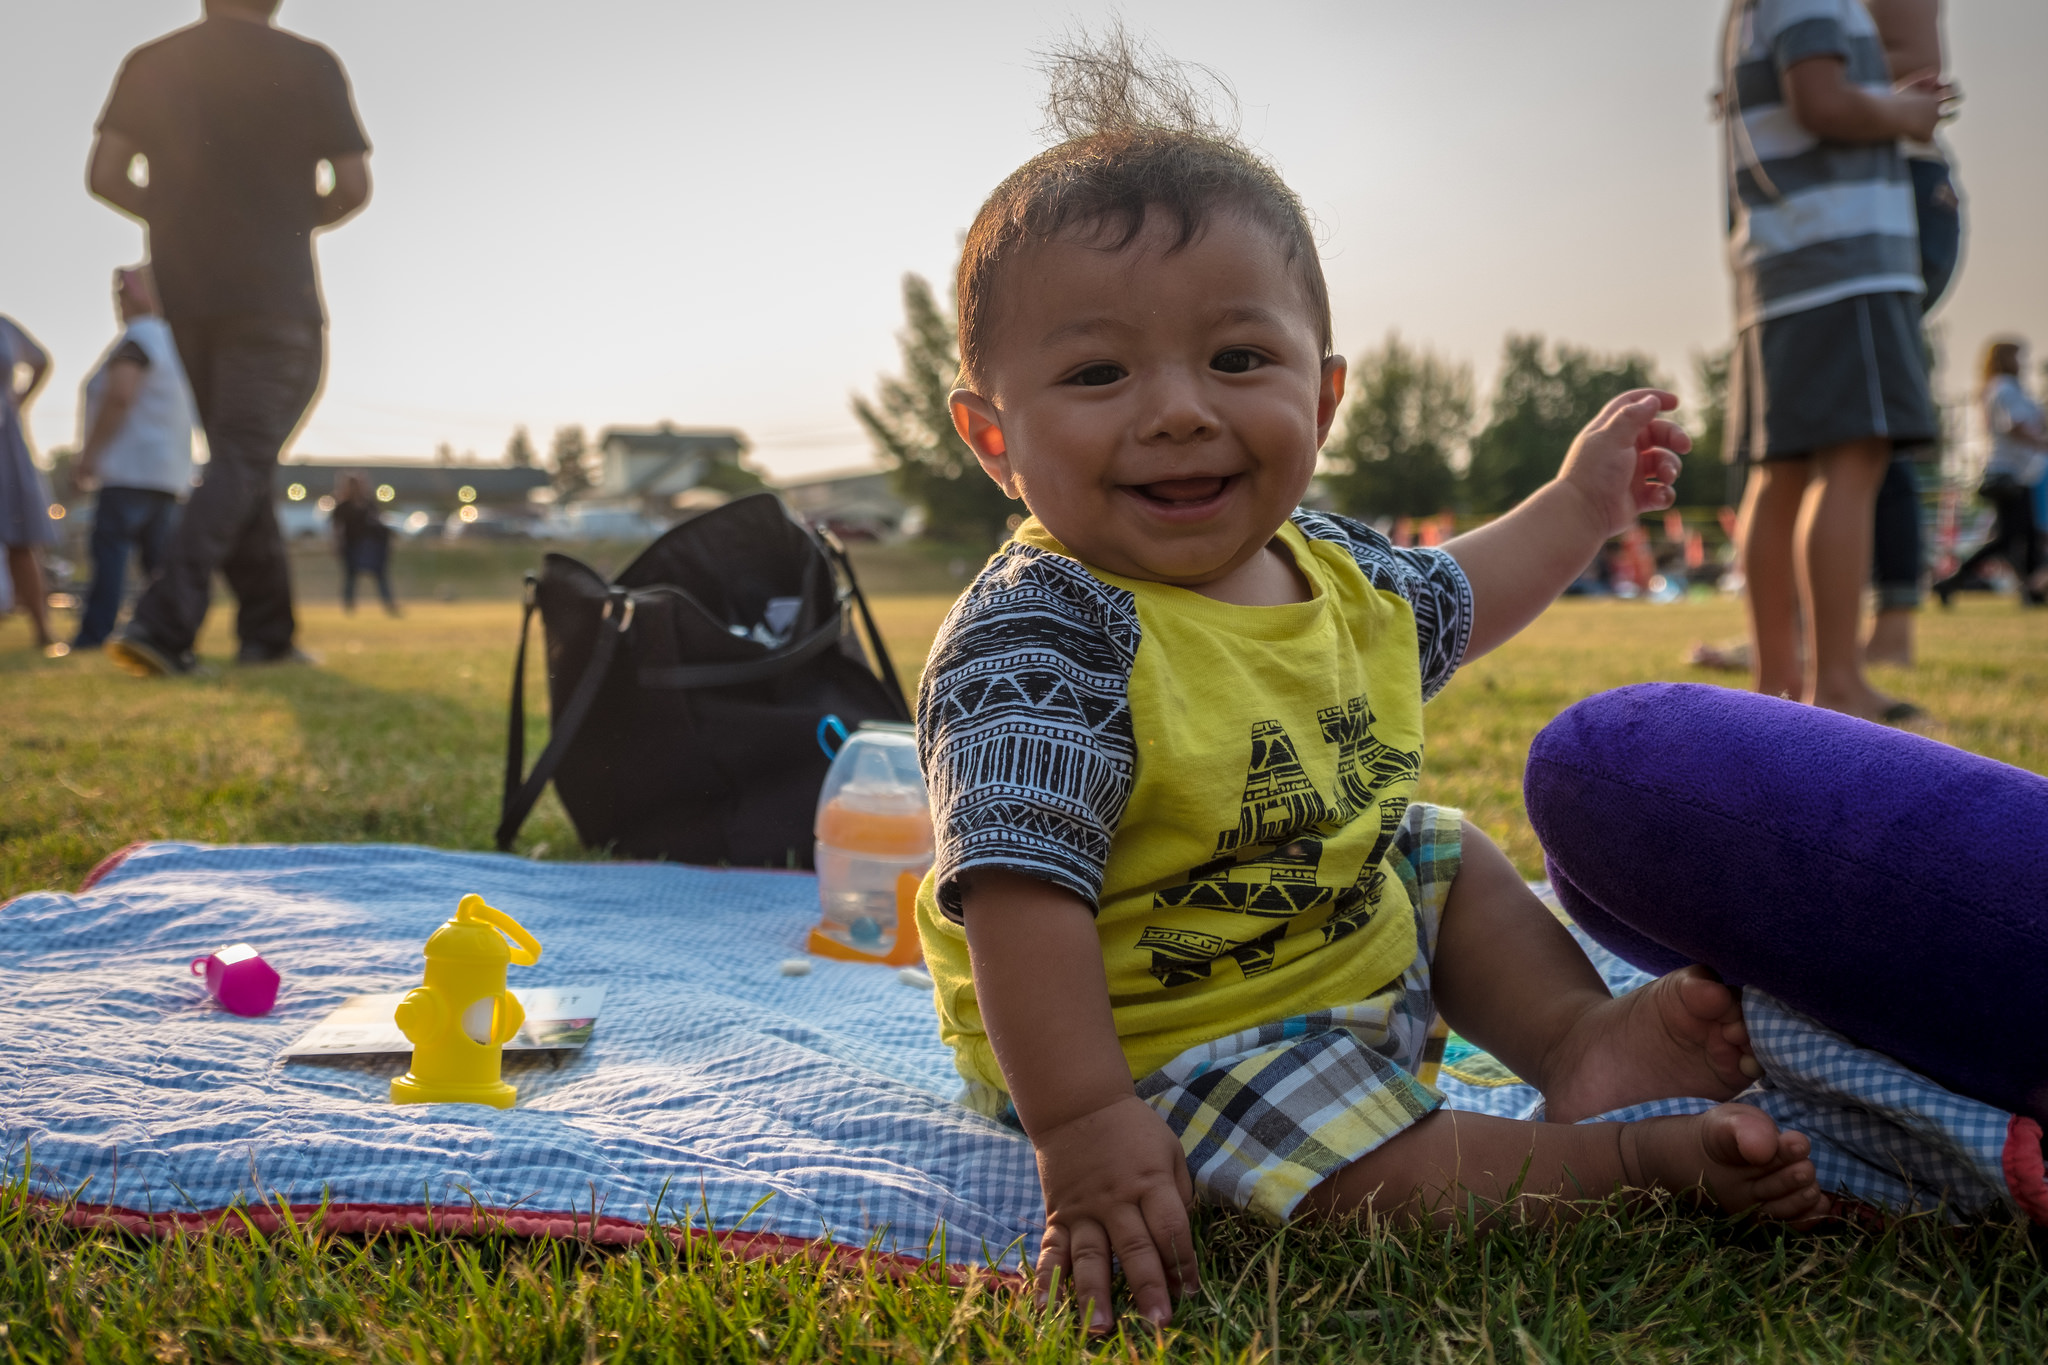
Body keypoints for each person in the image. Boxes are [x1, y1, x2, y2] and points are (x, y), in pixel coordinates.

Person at [913, 40, 1828, 1336]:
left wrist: (1578, 505)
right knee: (1353, 1171)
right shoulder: (1042, 636)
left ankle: (1575, 1043)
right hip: (1158, 1036)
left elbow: (1458, 597)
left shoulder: (1331, 567)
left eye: (1237, 360)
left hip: (1331, 935)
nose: (1177, 411)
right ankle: (1624, 1166)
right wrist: (1086, 1123)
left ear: (1323, 393)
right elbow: (1019, 899)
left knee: (1437, 852)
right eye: (1099, 374)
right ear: (995, 436)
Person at [87, 0, 371, 676]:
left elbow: (104, 173)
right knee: (242, 459)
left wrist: (184, 218)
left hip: (191, 296)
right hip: (278, 300)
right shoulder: (311, 64)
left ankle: (267, 633)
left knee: (240, 462)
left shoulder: (153, 62)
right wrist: (288, 219)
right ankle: (162, 623)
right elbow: (353, 184)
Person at [1720, 0, 1948, 723]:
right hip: (1843, 260)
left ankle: (1778, 678)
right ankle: (1840, 680)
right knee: (1853, 458)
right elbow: (1821, 100)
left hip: (1782, 265)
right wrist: (1904, 115)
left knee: (1779, 469)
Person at [1864, 0, 1964, 667]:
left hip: (1893, 176)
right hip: (1886, 176)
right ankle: (1821, 636)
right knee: (1845, 434)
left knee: (1868, 426)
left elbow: (1912, 57)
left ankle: (1888, 635)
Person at [72, 266, 198, 650]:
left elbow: (120, 395)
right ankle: (167, 634)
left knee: (111, 556)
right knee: (158, 564)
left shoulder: (137, 341)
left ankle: (95, 635)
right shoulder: (176, 344)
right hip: (169, 472)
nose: (118, 303)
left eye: (122, 295)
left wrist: (89, 456)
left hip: (129, 469)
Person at [1932, 340, 2048, 606]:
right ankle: (1951, 581)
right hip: (2006, 473)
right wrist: (2042, 444)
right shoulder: (2004, 387)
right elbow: (2015, 426)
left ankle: (2033, 591)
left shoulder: (2006, 388)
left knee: (2026, 534)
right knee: (2008, 537)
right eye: (2018, 357)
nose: (2023, 363)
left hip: (2020, 473)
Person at [0, 313, 64, 656]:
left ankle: (42, 629)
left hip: (3, 440)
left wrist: (16, 402)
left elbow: (41, 361)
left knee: (20, 536)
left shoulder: (3, 327)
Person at [331, 472, 398, 616]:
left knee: (380, 576)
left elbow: (378, 523)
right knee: (351, 577)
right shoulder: (343, 507)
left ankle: (389, 606)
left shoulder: (369, 504)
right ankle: (349, 607)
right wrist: (337, 544)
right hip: (352, 546)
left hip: (371, 547)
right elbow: (337, 528)